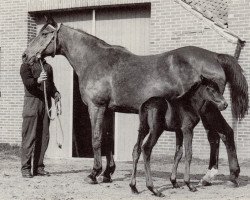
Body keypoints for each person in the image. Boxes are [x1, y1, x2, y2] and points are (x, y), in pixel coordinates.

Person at [20, 58, 61, 178]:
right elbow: (27, 82)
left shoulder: (48, 67)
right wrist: (38, 80)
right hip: (32, 102)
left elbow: (50, 85)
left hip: (45, 103)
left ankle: (38, 167)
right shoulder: (26, 66)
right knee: (29, 136)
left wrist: (55, 93)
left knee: (43, 136)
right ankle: (26, 168)